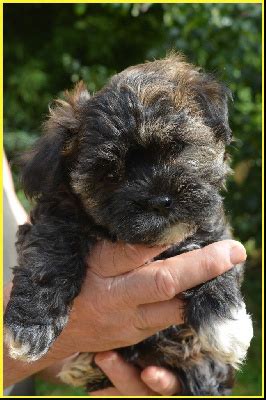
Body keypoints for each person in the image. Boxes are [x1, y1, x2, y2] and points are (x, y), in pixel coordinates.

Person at [3, 153, 247, 395]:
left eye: (178, 154)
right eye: (112, 175)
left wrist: (85, 353)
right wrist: (45, 316)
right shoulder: (63, 202)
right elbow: (45, 229)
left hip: (174, 362)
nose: (159, 195)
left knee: (201, 380)